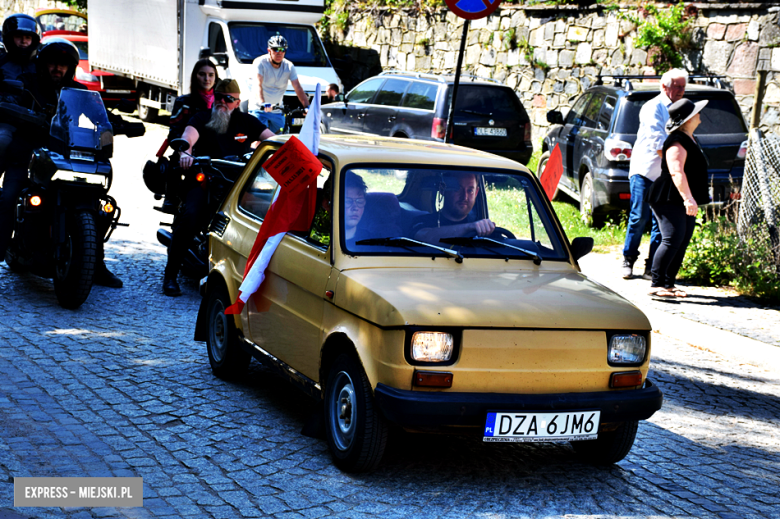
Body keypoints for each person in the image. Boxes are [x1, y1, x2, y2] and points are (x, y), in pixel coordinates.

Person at [0, 38, 123, 287]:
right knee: (10, 195)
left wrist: (122, 125)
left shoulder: (78, 91)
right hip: (27, 155)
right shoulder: (28, 84)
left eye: (64, 64)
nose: (58, 68)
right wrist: (20, 113)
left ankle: (95, 264)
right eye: (53, 63)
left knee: (97, 202)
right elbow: (10, 103)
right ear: (43, 64)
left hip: (65, 156)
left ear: (71, 67)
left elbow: (101, 116)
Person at [164, 78, 275, 296]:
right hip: (206, 178)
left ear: (237, 102)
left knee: (263, 217)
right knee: (192, 217)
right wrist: (185, 151)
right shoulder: (203, 118)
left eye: (228, 99)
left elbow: (272, 139)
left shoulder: (247, 122)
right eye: (218, 97)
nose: (221, 102)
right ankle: (170, 275)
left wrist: (287, 149)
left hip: (237, 184)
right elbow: (188, 136)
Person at [621, 68, 688, 280]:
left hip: (666, 174)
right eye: (675, 86)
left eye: (682, 86)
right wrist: (676, 167)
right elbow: (658, 142)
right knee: (639, 216)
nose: (679, 90)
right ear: (663, 86)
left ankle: (652, 267)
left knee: (662, 223)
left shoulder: (683, 109)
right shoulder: (653, 108)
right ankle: (628, 259)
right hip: (646, 170)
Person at [647, 98, 710, 299]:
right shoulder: (676, 141)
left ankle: (668, 284)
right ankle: (656, 284)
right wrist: (688, 199)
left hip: (682, 197)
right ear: (688, 119)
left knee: (681, 240)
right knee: (672, 238)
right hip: (669, 196)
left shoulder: (690, 138)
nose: (700, 116)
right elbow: (676, 172)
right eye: (696, 113)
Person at [1, 14, 41, 178]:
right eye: (19, 37)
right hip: (6, 121)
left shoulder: (42, 66)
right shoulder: (1, 63)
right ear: (9, 38)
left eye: (28, 37)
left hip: (38, 125)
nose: (24, 42)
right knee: (2, 140)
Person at [412, 172, 495, 244]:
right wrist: (468, 228)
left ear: (476, 192)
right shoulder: (423, 221)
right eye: (457, 189)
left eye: (470, 191)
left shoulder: (482, 229)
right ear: (442, 189)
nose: (464, 197)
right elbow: (423, 237)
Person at [249, 35, 309, 133]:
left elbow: (297, 87)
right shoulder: (260, 62)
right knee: (259, 137)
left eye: (282, 49)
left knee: (281, 139)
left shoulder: (289, 66)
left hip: (277, 111)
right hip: (258, 109)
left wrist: (307, 106)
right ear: (269, 50)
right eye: (275, 49)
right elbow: (257, 84)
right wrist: (262, 103)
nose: (279, 53)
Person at [168, 59, 218, 142]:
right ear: (195, 76)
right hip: (190, 152)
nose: (207, 78)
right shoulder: (183, 102)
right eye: (202, 74)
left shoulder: (222, 102)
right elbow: (174, 134)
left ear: (216, 78)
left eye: (211, 75)